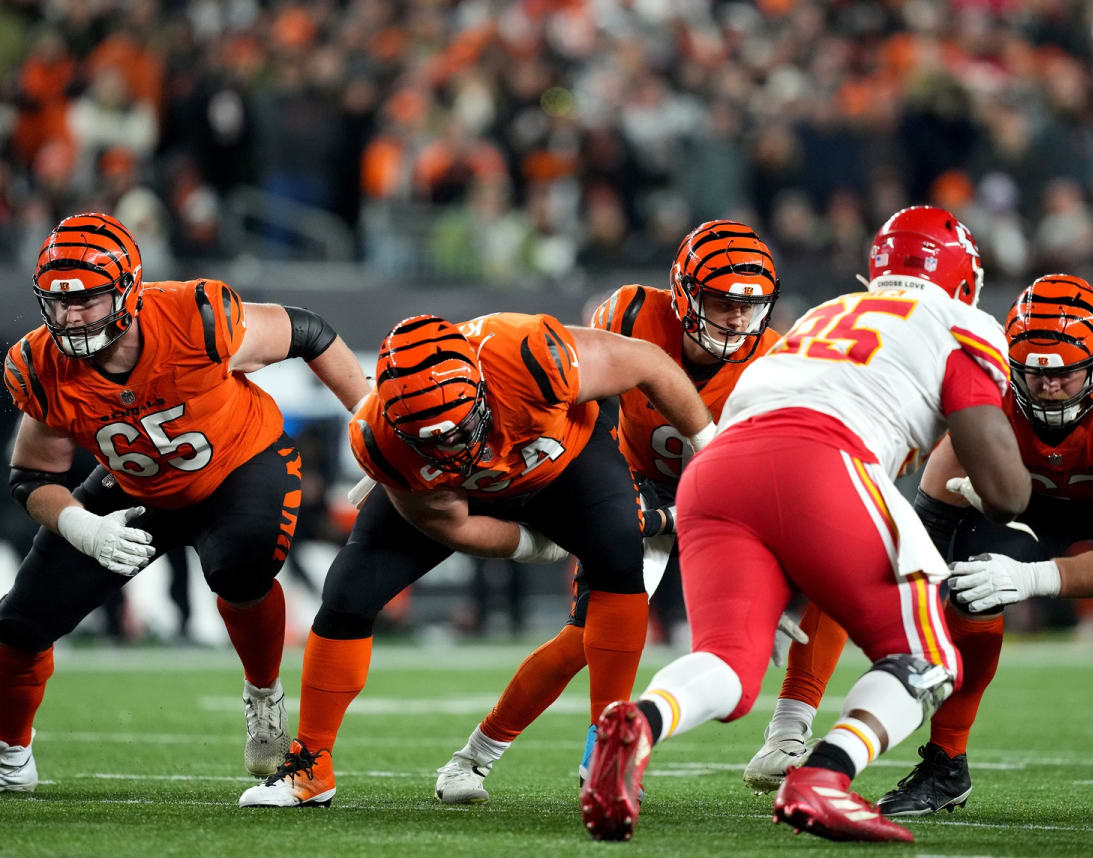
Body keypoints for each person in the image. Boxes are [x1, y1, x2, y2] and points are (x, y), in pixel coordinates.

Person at [580, 206, 1032, 843]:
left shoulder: (825, 315)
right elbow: (1006, 492)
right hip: (824, 459)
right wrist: (993, 495)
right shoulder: (962, 323)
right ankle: (826, 776)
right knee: (927, 658)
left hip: (716, 470)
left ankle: (642, 722)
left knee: (730, 668)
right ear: (964, 279)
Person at [238, 307, 715, 808]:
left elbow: (650, 364)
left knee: (619, 556)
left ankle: (610, 750)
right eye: (429, 438)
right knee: (347, 593)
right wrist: (534, 545)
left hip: (565, 466)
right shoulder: (379, 437)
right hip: (462, 498)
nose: (448, 446)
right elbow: (453, 524)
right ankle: (311, 765)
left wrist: (711, 449)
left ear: (481, 388)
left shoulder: (530, 356)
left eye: (455, 428)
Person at [763, 272, 1093, 819]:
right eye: (1034, 375)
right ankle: (946, 763)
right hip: (1018, 497)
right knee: (968, 584)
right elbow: (925, 539)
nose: (1048, 388)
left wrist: (1032, 577)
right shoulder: (983, 383)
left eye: (1065, 374)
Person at [0, 212, 368, 793]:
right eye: (58, 303)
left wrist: (369, 429)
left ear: (127, 291)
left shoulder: (196, 318)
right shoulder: (39, 365)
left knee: (241, 572)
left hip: (241, 463)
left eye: (88, 300)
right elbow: (30, 474)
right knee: (18, 626)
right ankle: (10, 753)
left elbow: (309, 332)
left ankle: (264, 692)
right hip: (136, 486)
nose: (71, 317)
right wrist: (80, 526)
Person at [435, 220, 781, 804]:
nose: (738, 320)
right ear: (686, 294)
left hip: (718, 500)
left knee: (808, 598)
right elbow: (581, 408)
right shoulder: (627, 315)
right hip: (629, 483)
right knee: (584, 639)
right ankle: (475, 757)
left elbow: (761, 470)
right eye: (722, 302)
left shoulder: (775, 358)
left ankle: (791, 738)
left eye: (750, 306)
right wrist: (612, 495)